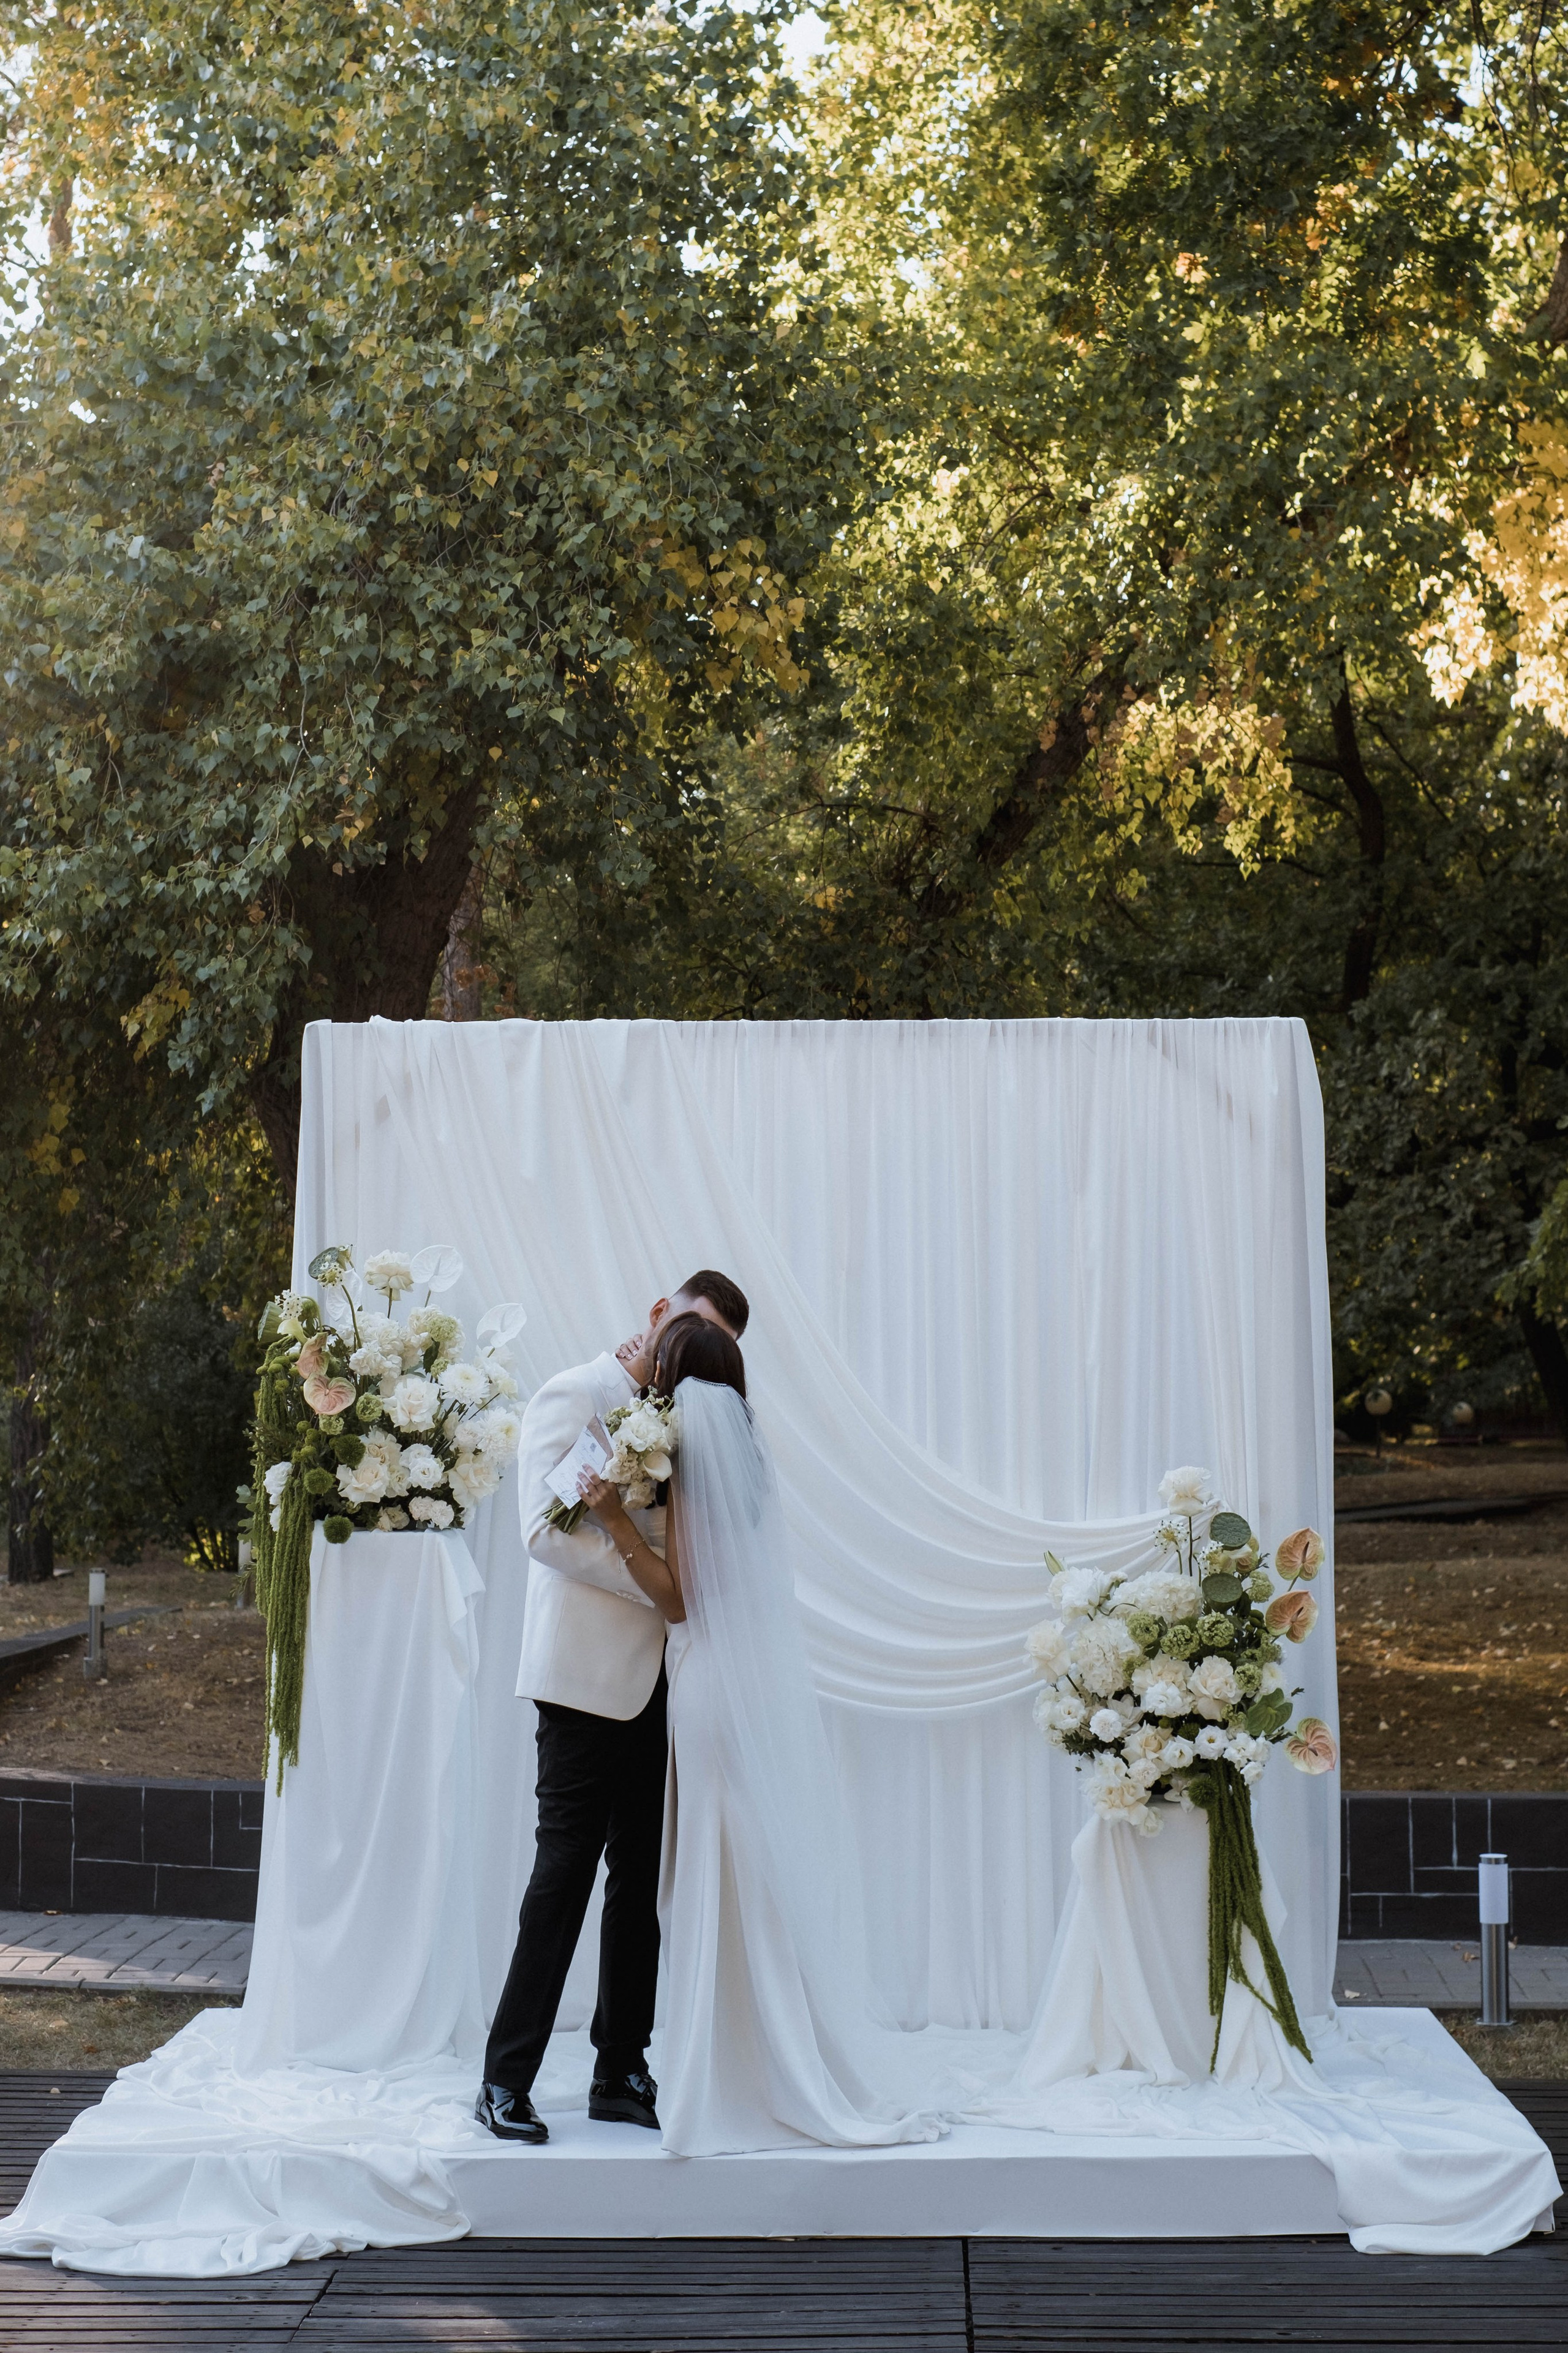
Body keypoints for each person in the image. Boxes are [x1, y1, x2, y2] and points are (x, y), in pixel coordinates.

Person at [575, 1313, 944, 2155]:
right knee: (732, 1866)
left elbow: (681, 1597)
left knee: (716, 1866)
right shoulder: (742, 1444)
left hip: (704, 1679)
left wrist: (615, 1519)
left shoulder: (699, 1457)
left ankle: (737, 2073)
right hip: (721, 1681)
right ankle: (747, 2058)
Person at [474, 1271, 750, 2145]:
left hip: (672, 1680)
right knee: (562, 1874)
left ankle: (620, 2066)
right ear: (660, 1313)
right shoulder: (579, 1393)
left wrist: (676, 1578)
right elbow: (543, 1532)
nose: (692, 1360)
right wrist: (653, 1576)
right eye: (692, 1332)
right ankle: (503, 2078)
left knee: (640, 1881)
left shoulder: (701, 1418)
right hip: (583, 1676)